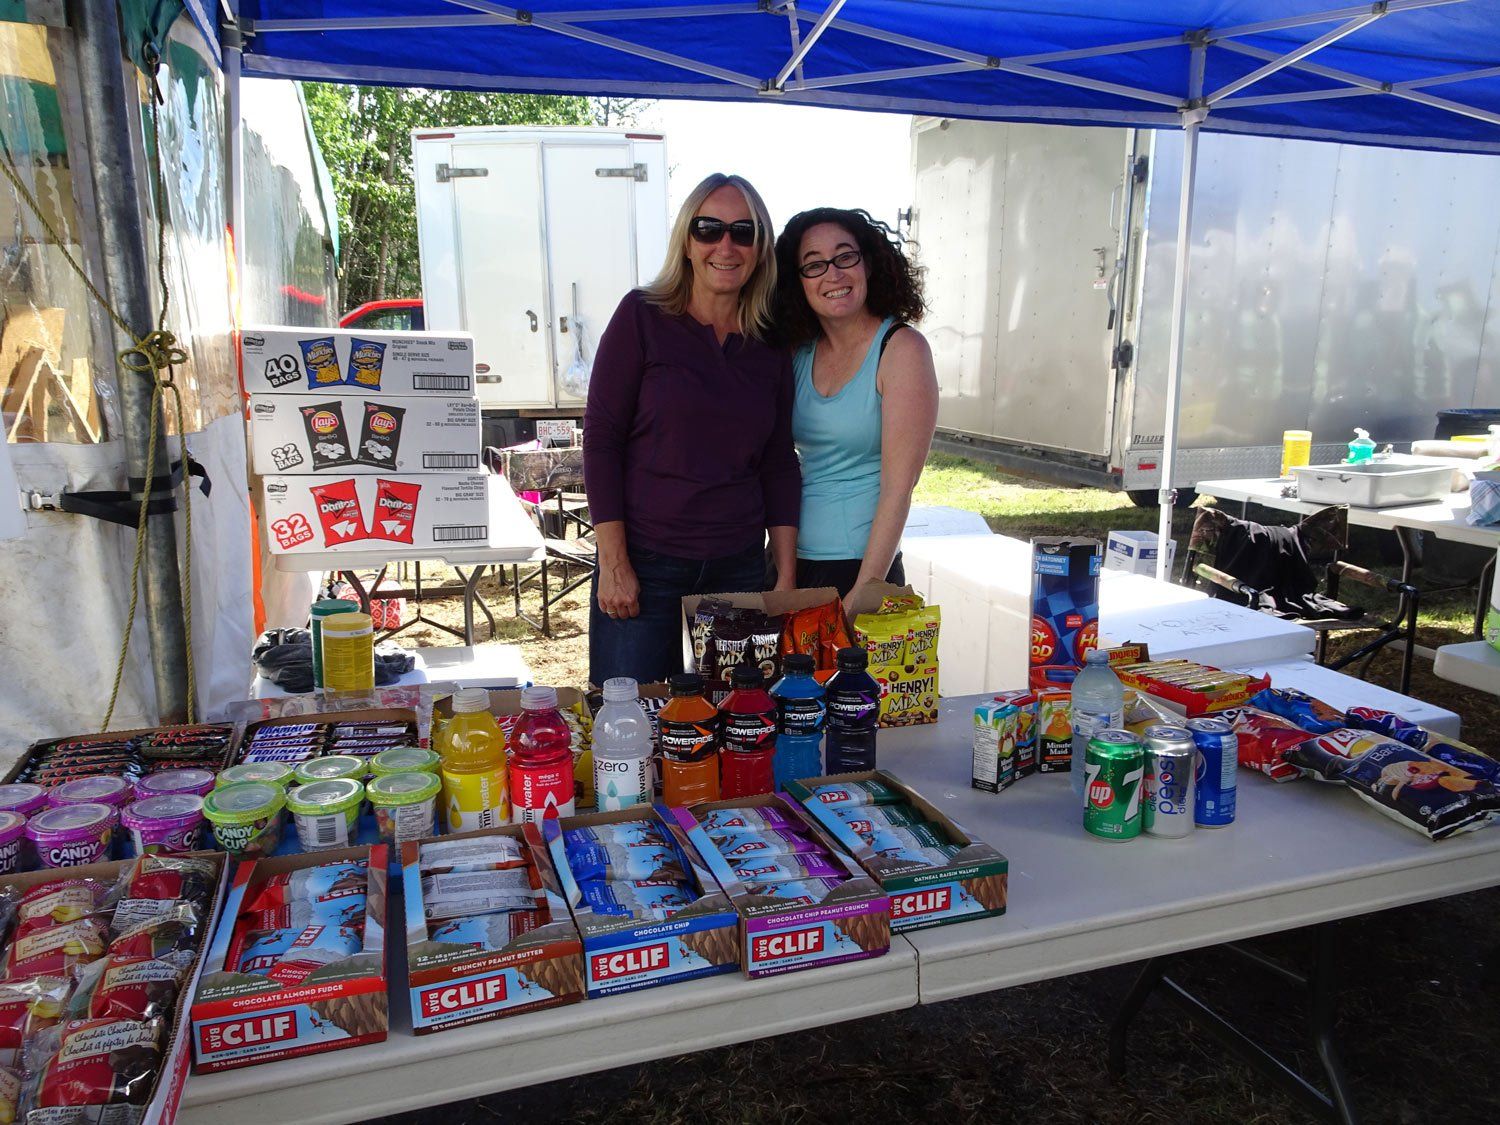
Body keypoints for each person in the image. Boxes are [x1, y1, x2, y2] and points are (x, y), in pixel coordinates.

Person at [583, 173, 800, 686]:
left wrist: (785, 574)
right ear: (686, 239)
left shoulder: (771, 344)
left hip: (738, 570)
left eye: (743, 231)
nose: (725, 245)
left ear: (760, 246)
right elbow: (602, 437)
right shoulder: (642, 316)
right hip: (645, 565)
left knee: (732, 726)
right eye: (709, 228)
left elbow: (778, 461)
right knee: (630, 724)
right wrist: (614, 562)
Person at [772, 207, 939, 605]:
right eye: (814, 265)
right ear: (797, 283)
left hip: (862, 569)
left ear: (869, 263)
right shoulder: (799, 351)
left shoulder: (901, 349)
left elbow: (899, 488)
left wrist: (863, 593)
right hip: (792, 565)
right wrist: (784, 575)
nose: (833, 274)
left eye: (845, 256)